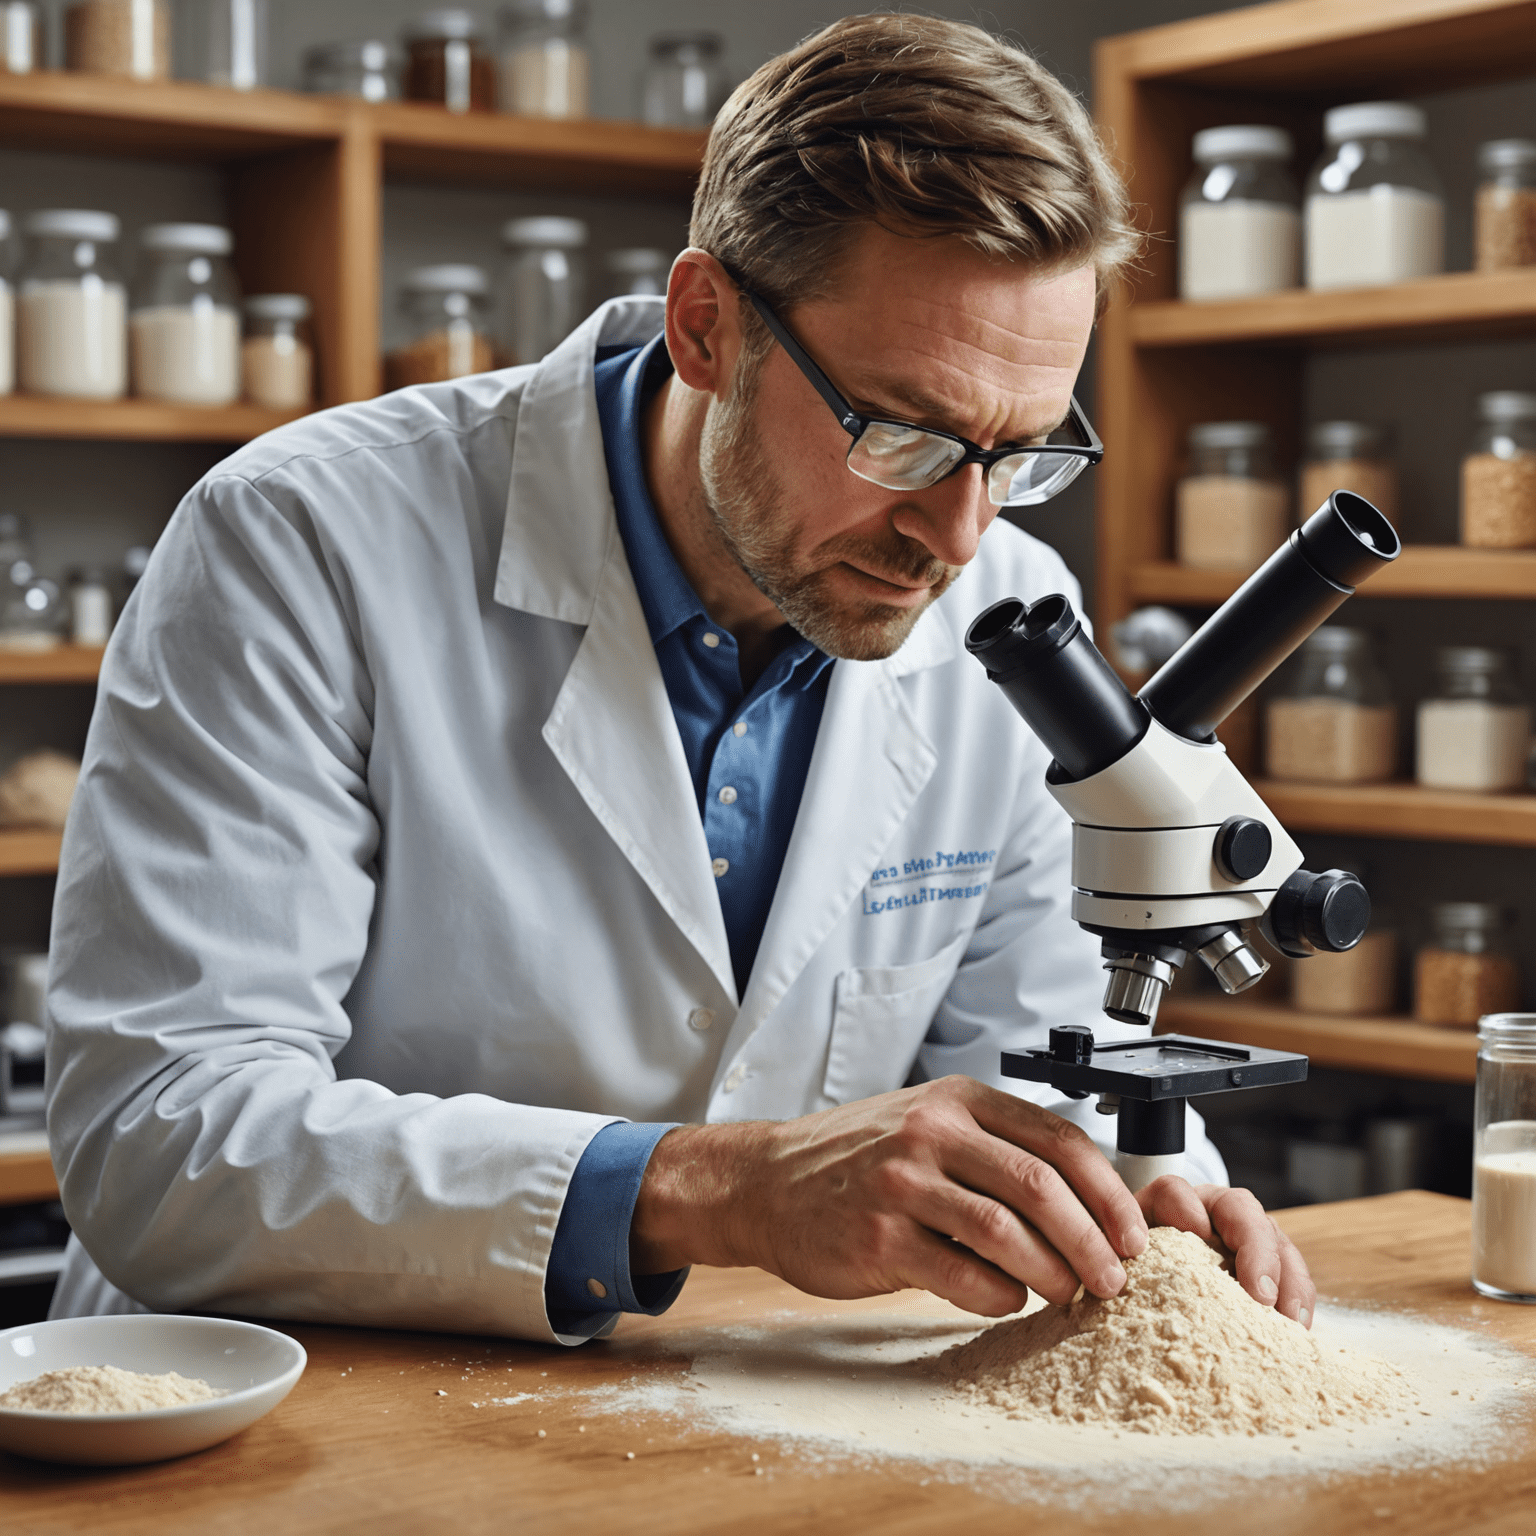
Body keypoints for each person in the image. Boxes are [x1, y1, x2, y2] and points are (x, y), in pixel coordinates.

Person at [45, 14, 1314, 1343]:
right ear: (707, 327)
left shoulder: (1007, 610)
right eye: (901, 436)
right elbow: (163, 1138)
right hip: (295, 1410)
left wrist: (1136, 1186)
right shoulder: (301, 540)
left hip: (731, 1400)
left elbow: (1040, 1058)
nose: (960, 535)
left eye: (1022, 451)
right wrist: (713, 1188)